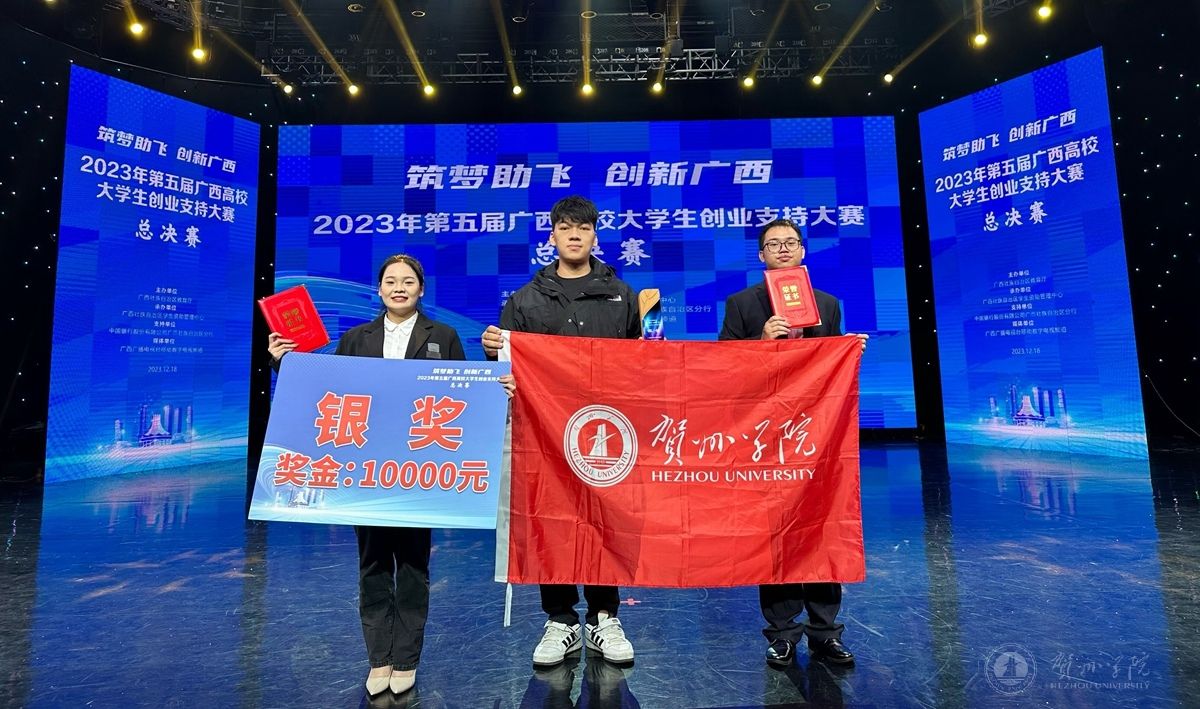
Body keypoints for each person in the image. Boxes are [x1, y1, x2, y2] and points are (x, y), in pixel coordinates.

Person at [269, 254, 512, 697]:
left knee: (415, 568)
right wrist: (284, 363)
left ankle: (406, 660)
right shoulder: (356, 338)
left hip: (420, 471)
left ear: (421, 289)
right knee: (373, 567)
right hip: (368, 473)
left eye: (408, 281)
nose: (399, 288)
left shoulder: (444, 336)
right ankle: (378, 659)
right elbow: (329, 393)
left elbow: (467, 397)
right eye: (390, 281)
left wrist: (498, 386)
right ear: (379, 289)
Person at [481, 195, 641, 668]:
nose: (575, 235)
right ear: (551, 235)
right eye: (566, 227)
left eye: (583, 228)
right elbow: (506, 373)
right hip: (543, 434)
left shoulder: (622, 294)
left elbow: (640, 361)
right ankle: (561, 620)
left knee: (604, 519)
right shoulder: (524, 300)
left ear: (595, 236)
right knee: (550, 519)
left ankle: (604, 616)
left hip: (604, 429)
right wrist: (495, 352)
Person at [718, 218, 866, 668]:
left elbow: (831, 371)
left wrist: (848, 351)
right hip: (766, 435)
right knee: (776, 530)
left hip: (817, 436)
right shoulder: (742, 304)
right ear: (761, 255)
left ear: (802, 250)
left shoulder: (827, 305)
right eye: (773, 244)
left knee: (821, 526)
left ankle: (825, 632)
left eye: (790, 242)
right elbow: (722, 366)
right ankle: (782, 632)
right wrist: (761, 342)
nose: (782, 249)